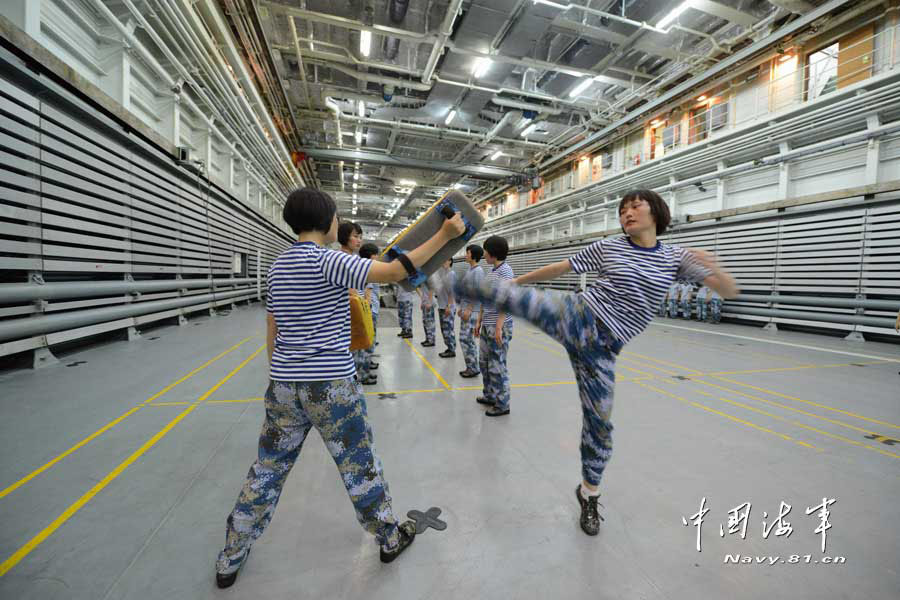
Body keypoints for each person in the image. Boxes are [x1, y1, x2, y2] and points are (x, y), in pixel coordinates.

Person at [215, 188, 465, 588]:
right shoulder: (329, 260)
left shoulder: (278, 267)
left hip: (283, 384)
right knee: (358, 464)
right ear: (327, 220)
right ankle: (388, 536)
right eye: (336, 217)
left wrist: (279, 372)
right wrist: (445, 234)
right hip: (330, 385)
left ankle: (231, 553)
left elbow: (272, 327)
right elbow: (395, 272)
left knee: (267, 469)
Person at [452, 189, 738, 536]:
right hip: (578, 316)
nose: (627, 213)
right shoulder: (609, 246)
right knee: (503, 294)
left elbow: (727, 291)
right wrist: (517, 280)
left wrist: (716, 266)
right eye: (622, 209)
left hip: (603, 350)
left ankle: (589, 494)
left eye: (635, 206)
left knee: (600, 427)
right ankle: (422, 275)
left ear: (657, 212)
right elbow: (562, 266)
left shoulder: (676, 258)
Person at [475, 235, 514, 417]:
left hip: (499, 325)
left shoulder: (505, 271)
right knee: (484, 362)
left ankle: (502, 403)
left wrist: (498, 327)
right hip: (487, 324)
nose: (483, 254)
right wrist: (479, 320)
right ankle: (490, 394)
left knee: (497, 364)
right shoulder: (491, 272)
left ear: (493, 252)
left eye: (485, 250)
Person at [458, 245, 484, 378]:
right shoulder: (470, 270)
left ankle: (473, 368)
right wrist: (461, 308)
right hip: (466, 310)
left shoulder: (478, 271)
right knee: (465, 340)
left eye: (468, 253)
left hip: (472, 312)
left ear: (473, 255)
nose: (466, 255)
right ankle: (471, 366)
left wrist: (468, 309)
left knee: (466, 339)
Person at [359, 243, 381, 383]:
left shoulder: (367, 268)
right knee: (366, 343)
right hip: (369, 311)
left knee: (370, 342)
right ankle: (364, 374)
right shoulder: (367, 269)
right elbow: (367, 293)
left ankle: (367, 367)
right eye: (376, 254)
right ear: (371, 255)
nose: (378, 257)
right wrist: (367, 312)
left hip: (372, 310)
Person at [435, 259, 458, 358]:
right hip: (442, 305)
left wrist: (449, 306)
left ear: (450, 262)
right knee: (445, 329)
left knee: (448, 329)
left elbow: (452, 292)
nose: (443, 262)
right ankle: (449, 348)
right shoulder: (444, 274)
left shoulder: (451, 274)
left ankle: (452, 349)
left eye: (446, 260)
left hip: (447, 307)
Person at [419, 280, 436, 347]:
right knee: (425, 322)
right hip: (425, 302)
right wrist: (422, 302)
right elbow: (424, 292)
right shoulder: (424, 276)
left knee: (430, 322)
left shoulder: (429, 276)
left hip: (429, 303)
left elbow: (432, 288)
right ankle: (428, 338)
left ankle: (431, 340)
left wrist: (429, 301)